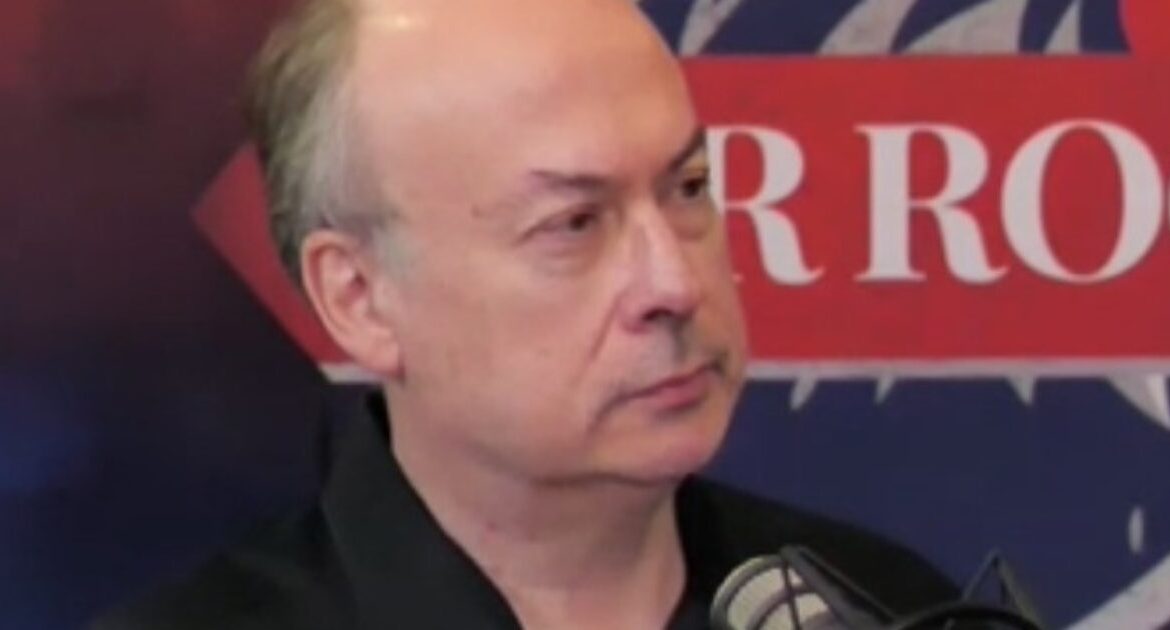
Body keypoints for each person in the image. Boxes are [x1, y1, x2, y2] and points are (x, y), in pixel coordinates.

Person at [95, 0, 957, 627]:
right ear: (360, 298)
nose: (676, 283)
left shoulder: (886, 608)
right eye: (573, 224)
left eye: (688, 187)